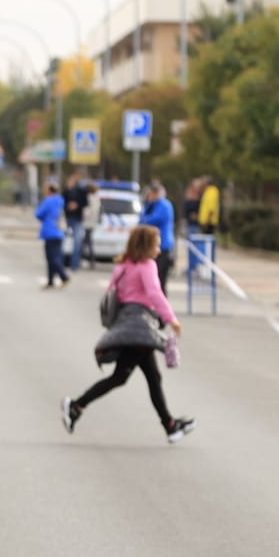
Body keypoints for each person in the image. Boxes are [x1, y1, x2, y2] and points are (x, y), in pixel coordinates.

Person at [62, 224, 195, 443]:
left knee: (149, 377)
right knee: (122, 377)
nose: (159, 250)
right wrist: (172, 319)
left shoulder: (123, 266)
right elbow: (154, 293)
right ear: (146, 246)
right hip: (139, 329)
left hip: (127, 325)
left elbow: (111, 295)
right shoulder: (146, 266)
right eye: (156, 245)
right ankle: (76, 406)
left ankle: (170, 425)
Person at [140, 180, 176, 294]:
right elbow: (141, 218)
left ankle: (161, 305)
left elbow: (151, 220)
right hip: (151, 246)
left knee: (160, 279)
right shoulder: (151, 205)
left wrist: (145, 216)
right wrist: (147, 203)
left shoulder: (164, 205)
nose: (151, 195)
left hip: (163, 246)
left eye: (153, 193)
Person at [35, 181, 68, 289]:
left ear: (49, 190)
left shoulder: (48, 201)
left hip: (50, 232)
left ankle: (64, 277)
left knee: (51, 258)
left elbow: (38, 214)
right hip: (59, 231)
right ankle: (50, 281)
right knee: (55, 257)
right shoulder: (61, 200)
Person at [64, 171, 90, 271]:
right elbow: (63, 201)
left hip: (77, 219)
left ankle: (74, 264)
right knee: (64, 242)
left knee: (77, 242)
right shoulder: (67, 190)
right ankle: (62, 262)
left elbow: (85, 202)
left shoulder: (82, 190)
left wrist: (77, 205)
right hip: (68, 218)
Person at [82, 182, 102, 268]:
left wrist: (84, 217)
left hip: (88, 222)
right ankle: (89, 260)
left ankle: (88, 259)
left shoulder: (89, 198)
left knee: (86, 242)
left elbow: (88, 210)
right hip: (92, 222)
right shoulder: (97, 198)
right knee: (87, 241)